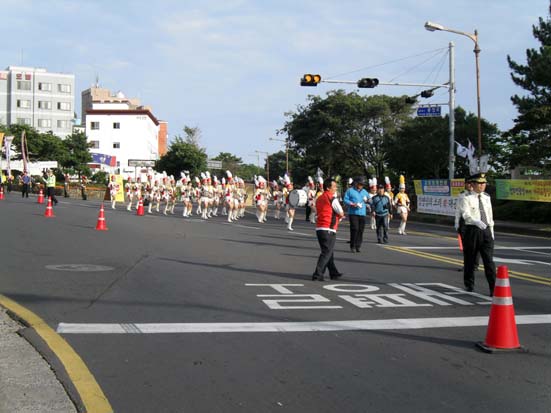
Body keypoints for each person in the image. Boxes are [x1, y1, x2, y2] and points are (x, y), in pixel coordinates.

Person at [460, 173, 496, 295]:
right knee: (470, 259)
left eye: (484, 183)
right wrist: (476, 221)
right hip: (473, 231)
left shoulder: (486, 197)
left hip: (486, 231)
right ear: (473, 184)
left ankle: (493, 288)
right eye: (479, 183)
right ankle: (469, 284)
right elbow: (465, 214)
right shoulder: (466, 198)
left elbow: (490, 215)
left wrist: (491, 232)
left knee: (489, 261)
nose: (482, 185)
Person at [312, 178, 345, 281]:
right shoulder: (332, 198)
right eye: (334, 186)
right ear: (328, 188)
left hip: (320, 228)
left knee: (328, 251)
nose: (336, 188)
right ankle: (318, 274)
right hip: (329, 229)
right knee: (327, 252)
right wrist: (339, 217)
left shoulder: (319, 198)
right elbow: (341, 212)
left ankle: (333, 273)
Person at [343, 176, 371, 253]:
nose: (361, 185)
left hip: (362, 213)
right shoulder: (350, 190)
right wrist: (352, 204)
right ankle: (352, 245)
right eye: (360, 184)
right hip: (353, 213)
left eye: (362, 184)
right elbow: (345, 200)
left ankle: (358, 245)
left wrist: (368, 200)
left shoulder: (364, 191)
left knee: (361, 230)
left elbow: (369, 199)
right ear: (356, 183)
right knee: (355, 228)